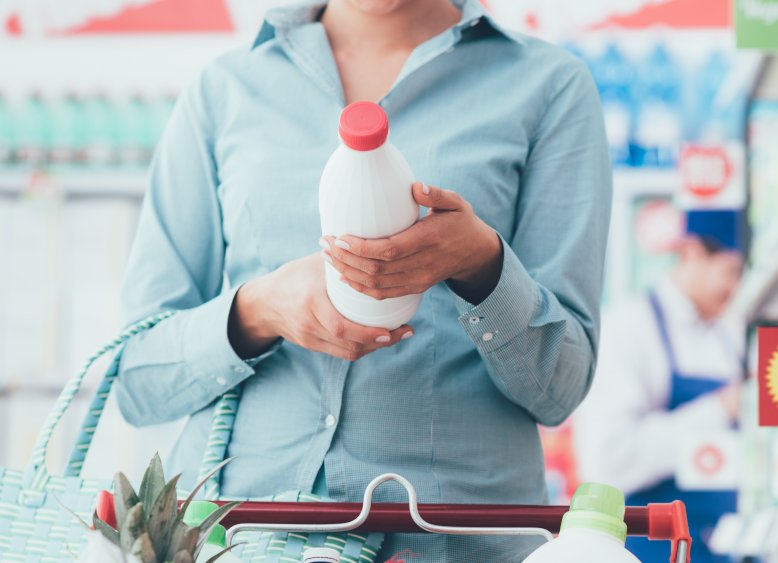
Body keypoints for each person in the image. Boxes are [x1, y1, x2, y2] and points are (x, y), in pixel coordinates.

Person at [113, 0, 612, 560]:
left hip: (449, 543)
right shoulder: (226, 89)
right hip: (240, 538)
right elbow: (134, 377)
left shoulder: (547, 86)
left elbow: (560, 389)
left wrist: (481, 265)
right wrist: (256, 312)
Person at [573, 210, 745, 563]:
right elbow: (610, 461)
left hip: (725, 548)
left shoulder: (729, 335)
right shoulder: (630, 329)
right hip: (653, 550)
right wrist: (718, 410)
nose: (736, 288)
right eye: (730, 272)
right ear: (693, 253)